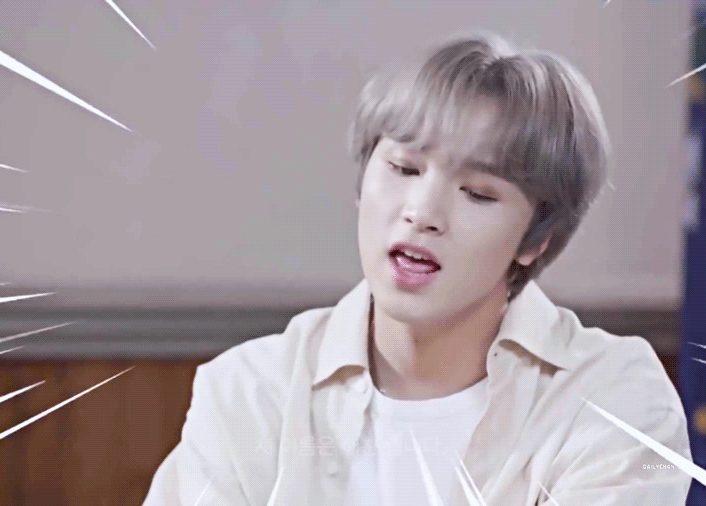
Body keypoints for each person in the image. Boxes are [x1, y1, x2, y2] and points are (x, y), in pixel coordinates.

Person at [142, 30, 693, 506]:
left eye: (478, 193)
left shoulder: (614, 399)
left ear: (536, 239)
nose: (422, 212)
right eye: (404, 168)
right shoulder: (250, 390)